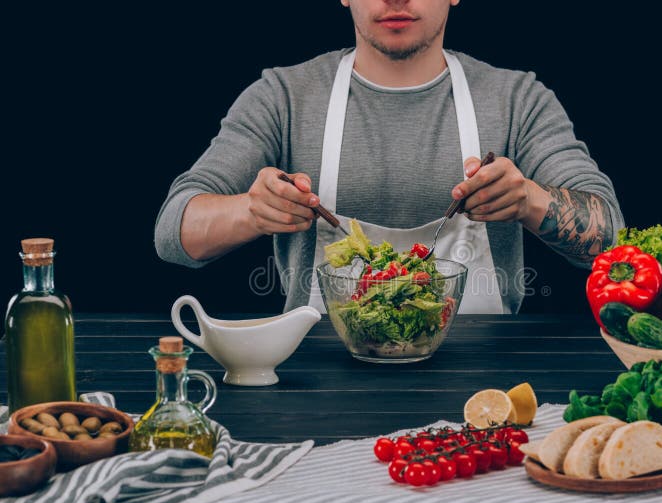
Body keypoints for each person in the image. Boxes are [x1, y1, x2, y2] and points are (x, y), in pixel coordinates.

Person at [154, 0, 624, 314]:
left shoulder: (517, 98)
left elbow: (612, 240)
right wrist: (252, 211)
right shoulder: (283, 96)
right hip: (317, 386)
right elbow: (174, 231)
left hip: (483, 389)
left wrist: (530, 202)